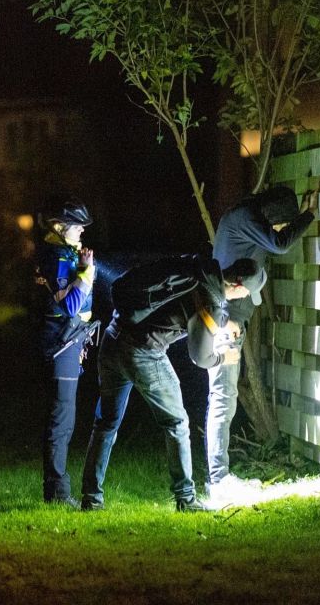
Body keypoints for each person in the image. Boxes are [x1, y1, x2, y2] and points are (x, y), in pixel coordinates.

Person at [79, 255, 265, 512]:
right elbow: (200, 356)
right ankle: (186, 499)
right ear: (238, 285)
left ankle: (91, 498)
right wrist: (224, 356)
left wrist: (220, 325)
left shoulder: (200, 269)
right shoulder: (211, 300)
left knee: (106, 422)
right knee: (177, 423)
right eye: (246, 293)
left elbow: (185, 310)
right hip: (144, 352)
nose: (243, 298)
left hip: (113, 337)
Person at [204, 186, 318, 508]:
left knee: (224, 401)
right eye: (280, 224)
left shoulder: (244, 220)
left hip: (232, 321)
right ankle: (218, 482)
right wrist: (309, 214)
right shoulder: (247, 217)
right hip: (226, 322)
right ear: (274, 215)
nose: (277, 231)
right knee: (223, 401)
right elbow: (280, 245)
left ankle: (220, 477)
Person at [33, 196, 97, 508]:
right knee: (62, 421)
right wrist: (86, 272)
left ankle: (57, 489)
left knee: (65, 419)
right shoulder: (58, 258)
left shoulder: (60, 253)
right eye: (78, 226)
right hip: (62, 344)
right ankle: (57, 493)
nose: (82, 231)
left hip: (69, 344)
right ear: (60, 227)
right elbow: (70, 305)